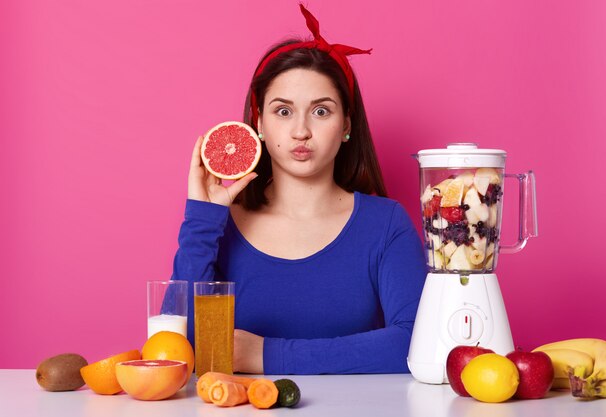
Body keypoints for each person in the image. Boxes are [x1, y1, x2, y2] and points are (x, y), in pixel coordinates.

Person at [171, 4, 427, 375]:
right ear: (258, 122)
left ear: (346, 126)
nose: (301, 131)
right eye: (283, 111)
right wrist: (203, 218)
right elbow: (173, 348)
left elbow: (417, 343)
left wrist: (267, 355)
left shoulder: (386, 224)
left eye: (321, 111)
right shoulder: (220, 226)